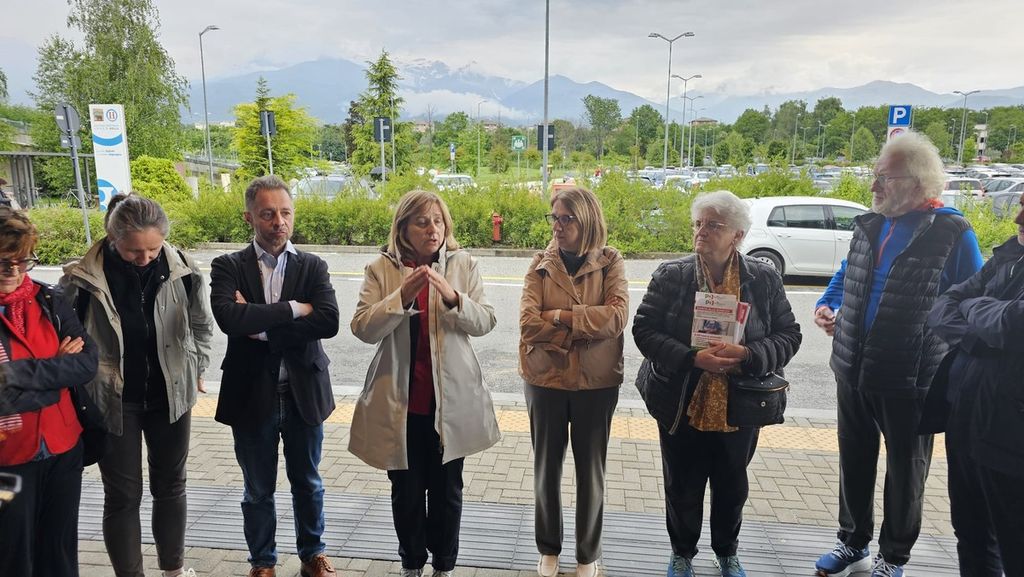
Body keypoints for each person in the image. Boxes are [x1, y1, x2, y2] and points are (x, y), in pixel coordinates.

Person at [812, 131, 984, 577]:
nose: (874, 186)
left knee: (907, 470)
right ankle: (853, 543)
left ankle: (893, 557)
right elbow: (847, 273)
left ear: (916, 182)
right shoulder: (870, 224)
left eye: (883, 178)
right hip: (852, 365)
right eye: (875, 176)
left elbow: (974, 301)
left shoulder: (952, 232)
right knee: (854, 458)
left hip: (911, 375)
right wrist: (827, 304)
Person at [632, 190, 802, 577]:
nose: (701, 231)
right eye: (698, 223)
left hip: (739, 406)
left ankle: (727, 553)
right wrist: (692, 358)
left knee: (732, 487)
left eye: (713, 225)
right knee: (682, 486)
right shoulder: (672, 275)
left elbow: (789, 335)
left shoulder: (763, 278)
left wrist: (748, 354)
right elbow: (644, 331)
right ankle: (682, 553)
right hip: (681, 401)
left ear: (737, 235)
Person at [60, 193, 214, 577]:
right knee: (123, 496)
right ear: (113, 239)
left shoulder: (184, 270)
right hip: (113, 399)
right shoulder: (82, 279)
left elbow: (201, 324)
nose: (145, 258)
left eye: (153, 249)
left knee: (171, 486)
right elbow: (64, 334)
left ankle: (173, 570)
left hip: (170, 394)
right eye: (133, 251)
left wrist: (198, 366)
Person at [350, 189, 500, 577]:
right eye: (422, 222)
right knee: (407, 493)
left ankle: (444, 566)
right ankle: (412, 564)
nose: (433, 229)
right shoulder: (380, 269)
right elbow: (363, 328)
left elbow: (485, 321)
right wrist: (401, 296)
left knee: (448, 492)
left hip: (450, 404)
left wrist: (453, 298)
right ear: (403, 229)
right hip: (401, 405)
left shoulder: (464, 264)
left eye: (438, 221)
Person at [209, 175, 340, 577]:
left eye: (285, 213)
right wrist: (296, 309)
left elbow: (329, 321)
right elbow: (230, 319)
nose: (279, 222)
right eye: (268, 214)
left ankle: (313, 555)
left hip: (304, 393)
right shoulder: (228, 266)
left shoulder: (313, 266)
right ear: (249, 217)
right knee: (257, 489)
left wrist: (261, 326)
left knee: (309, 482)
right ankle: (262, 562)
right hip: (251, 393)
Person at [519, 187, 629, 577]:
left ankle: (587, 553)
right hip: (545, 379)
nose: (559, 226)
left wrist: (560, 317)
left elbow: (616, 318)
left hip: (596, 383)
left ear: (588, 220)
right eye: (555, 217)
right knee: (546, 469)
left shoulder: (610, 261)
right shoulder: (540, 264)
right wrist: (583, 327)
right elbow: (528, 324)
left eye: (568, 218)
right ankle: (548, 548)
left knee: (591, 471)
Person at [927, 192, 1024, 577]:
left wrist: (974, 306)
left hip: (1011, 432)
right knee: (970, 532)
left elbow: (1012, 324)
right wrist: (977, 334)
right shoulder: (1009, 255)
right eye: (1021, 205)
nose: (1018, 218)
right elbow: (943, 305)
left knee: (1014, 543)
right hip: (966, 418)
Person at [0, 206, 98, 576]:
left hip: (62, 447)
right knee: (13, 555)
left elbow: (87, 361)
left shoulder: (48, 299)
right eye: (3, 262)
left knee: (58, 554)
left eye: (23, 261)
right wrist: (55, 378)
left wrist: (12, 373)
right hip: (8, 457)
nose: (14, 272)